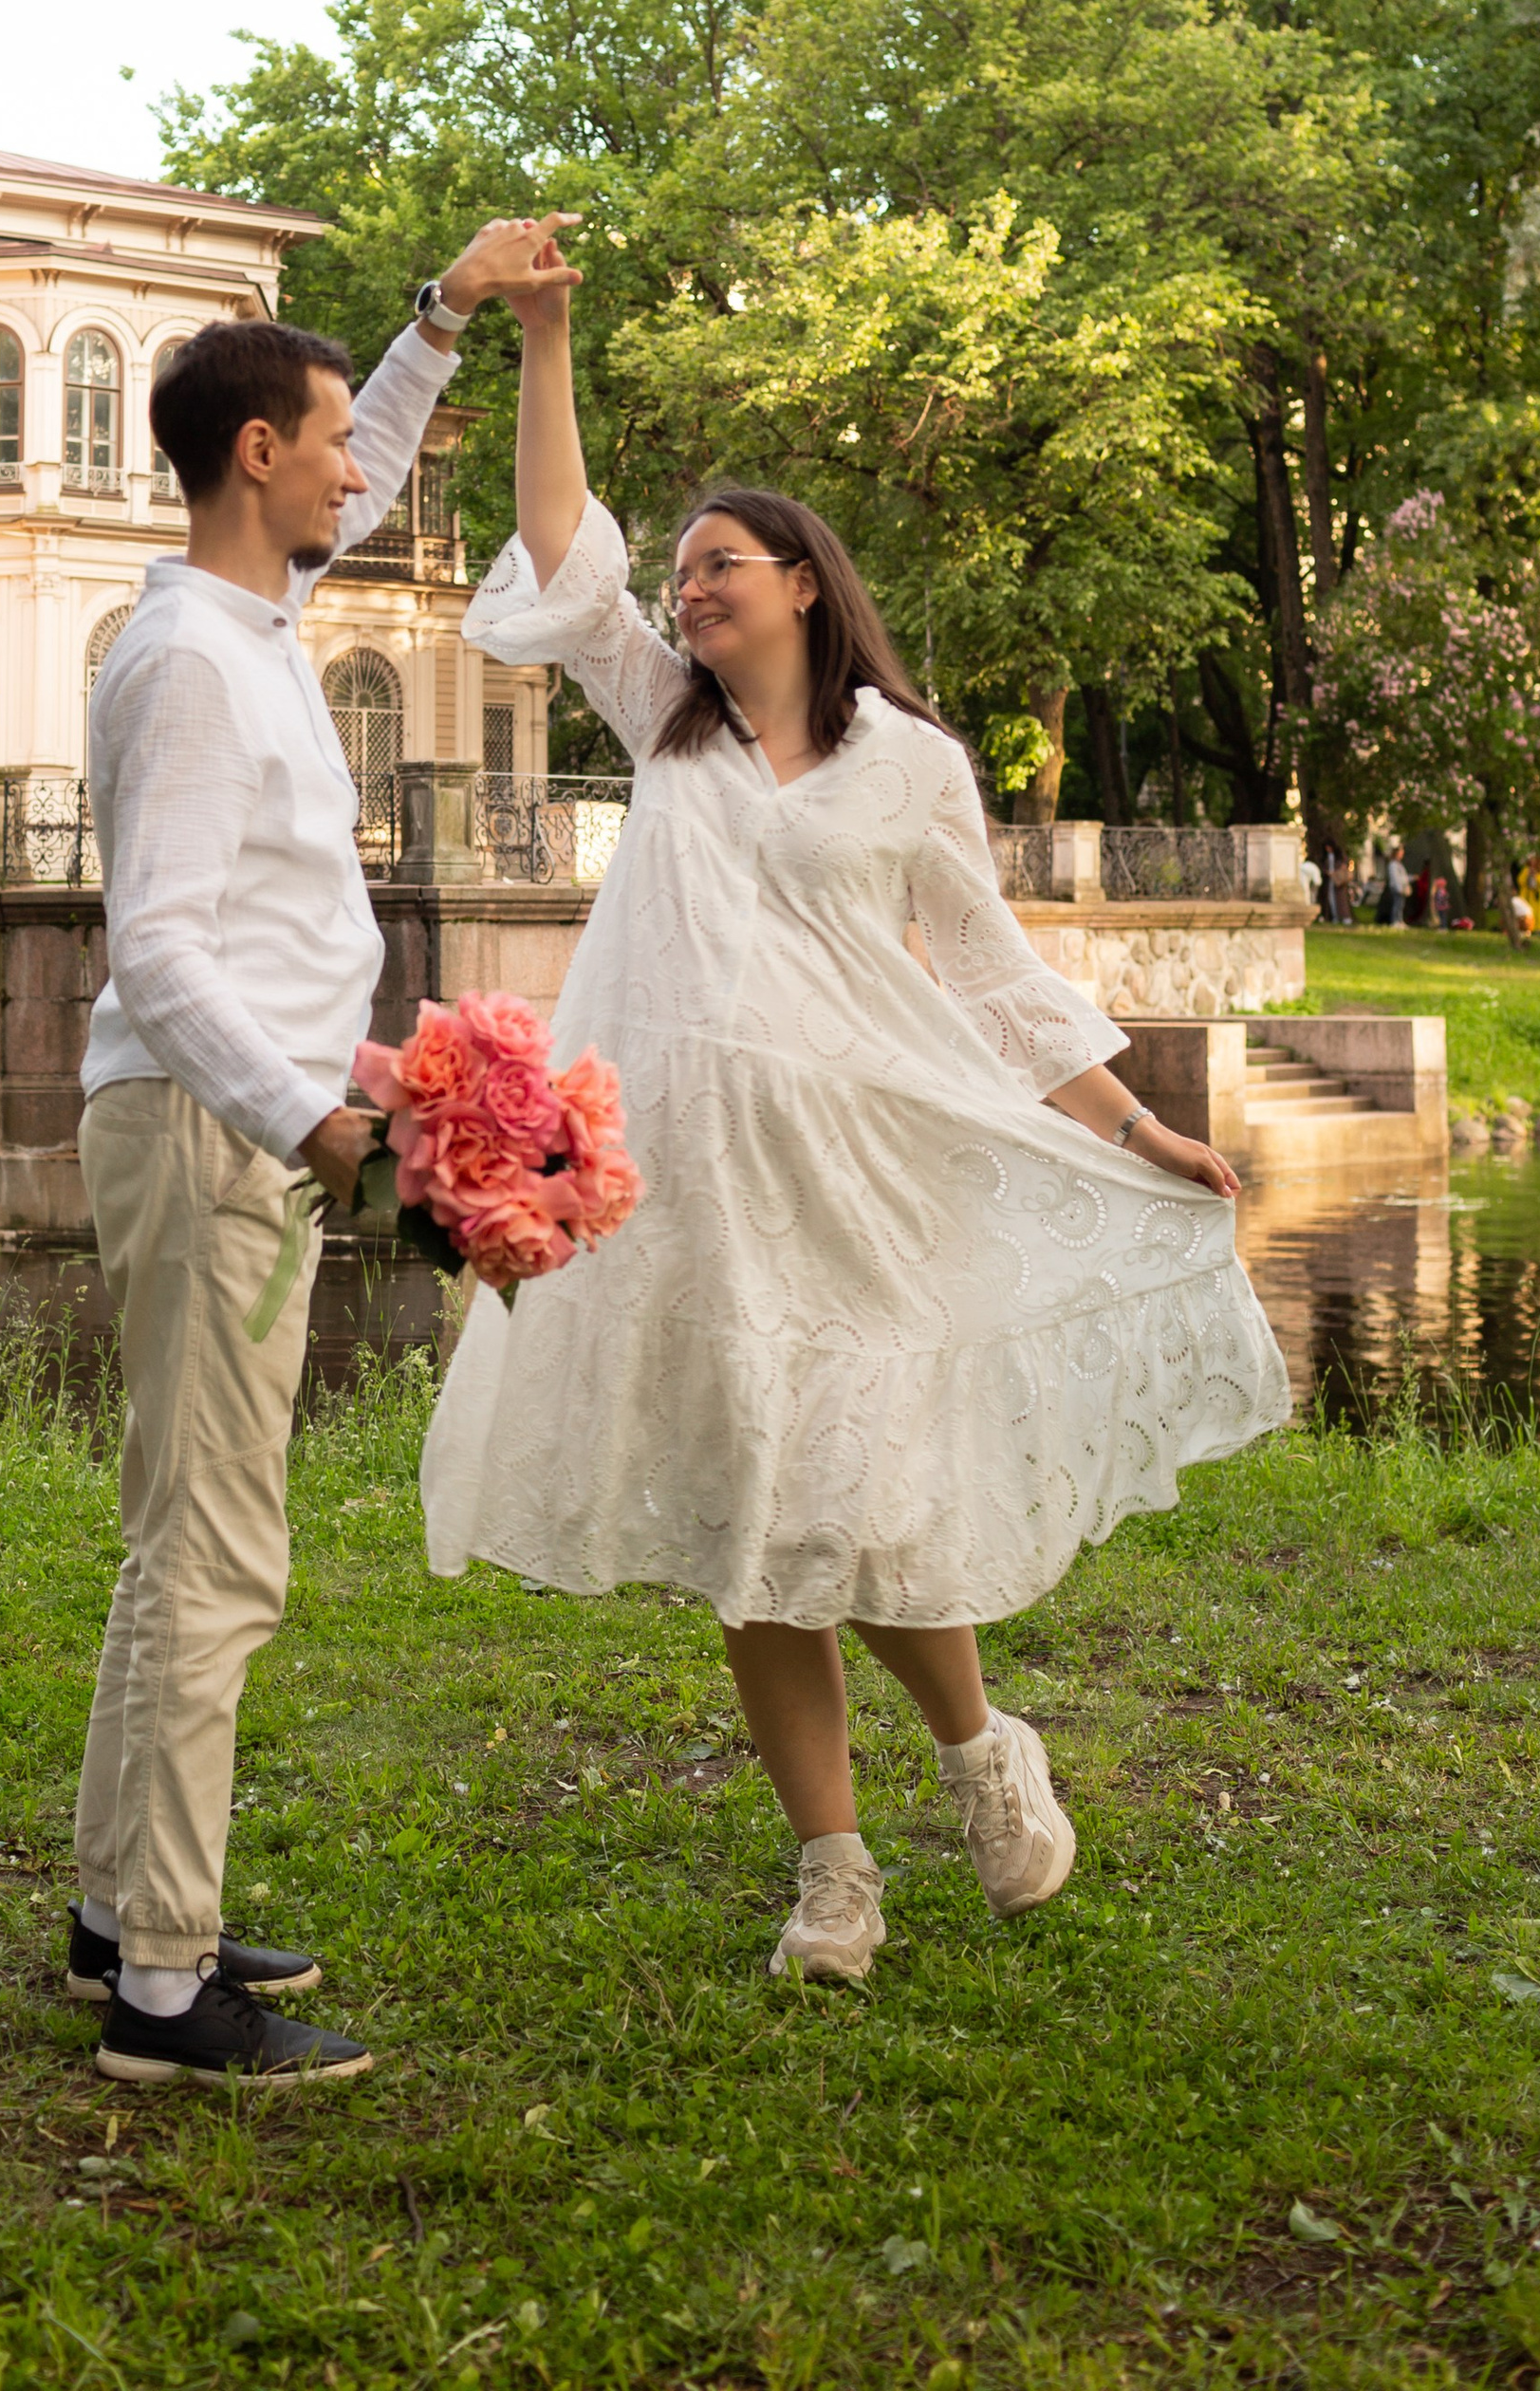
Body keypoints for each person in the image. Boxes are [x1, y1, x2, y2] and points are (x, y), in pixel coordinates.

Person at [419, 249, 1292, 1985]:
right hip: (691, 1188)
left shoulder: (913, 764)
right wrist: (547, 334)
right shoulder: (665, 736)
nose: (686, 597)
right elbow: (559, 533)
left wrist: (1138, 1131)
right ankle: (833, 1871)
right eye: (678, 581)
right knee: (758, 1517)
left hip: (862, 1174)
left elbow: (995, 983)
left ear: (806, 584)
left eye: (718, 571)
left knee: (865, 1497)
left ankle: (981, 1753)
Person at [65, 221, 579, 2088]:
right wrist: (311, 1113)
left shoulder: (249, 619)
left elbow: (367, 453)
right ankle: (159, 1993)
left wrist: (446, 315)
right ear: (252, 460)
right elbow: (161, 948)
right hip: (215, 1140)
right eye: (332, 440)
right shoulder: (192, 663)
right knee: (217, 1561)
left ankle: (123, 1908)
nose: (362, 469)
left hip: (227, 1128)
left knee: (171, 1543)